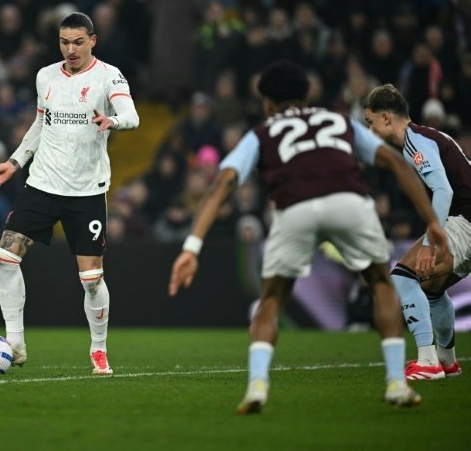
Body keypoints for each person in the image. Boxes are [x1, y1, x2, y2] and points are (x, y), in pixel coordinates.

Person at [168, 61, 447, 414]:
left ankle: (257, 386)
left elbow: (224, 181)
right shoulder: (338, 121)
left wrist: (192, 246)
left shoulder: (262, 131)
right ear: (306, 94)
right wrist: (432, 222)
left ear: (268, 103)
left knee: (271, 298)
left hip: (294, 207)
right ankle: (396, 383)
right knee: (380, 284)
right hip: (349, 201)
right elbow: (393, 162)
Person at [0, 12, 139, 375]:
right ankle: (15, 342)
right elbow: (41, 122)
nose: (70, 49)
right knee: (5, 256)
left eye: (78, 42)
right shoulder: (45, 75)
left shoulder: (108, 76)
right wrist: (15, 162)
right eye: (64, 42)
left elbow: (132, 116)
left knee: (91, 279)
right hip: (43, 184)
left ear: (93, 41)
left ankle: (98, 349)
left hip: (86, 191)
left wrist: (111, 120)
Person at [363, 84, 466, 380]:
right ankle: (447, 362)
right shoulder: (428, 136)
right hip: (467, 220)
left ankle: (428, 362)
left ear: (385, 118)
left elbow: (443, 190)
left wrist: (431, 244)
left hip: (464, 220)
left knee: (404, 277)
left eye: (370, 122)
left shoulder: (415, 141)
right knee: (433, 289)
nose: (370, 130)